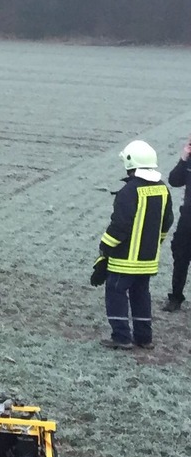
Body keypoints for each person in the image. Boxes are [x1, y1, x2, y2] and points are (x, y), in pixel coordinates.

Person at [91, 140, 173, 349]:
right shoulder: (163, 189)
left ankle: (121, 337)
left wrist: (104, 248)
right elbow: (167, 221)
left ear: (130, 163)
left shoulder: (129, 191)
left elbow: (120, 226)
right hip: (148, 260)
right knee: (141, 295)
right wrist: (157, 242)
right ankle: (144, 338)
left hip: (124, 260)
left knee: (115, 293)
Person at [163, 134, 191, 312]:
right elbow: (174, 180)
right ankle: (176, 297)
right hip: (187, 218)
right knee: (180, 256)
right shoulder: (189, 161)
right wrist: (184, 157)